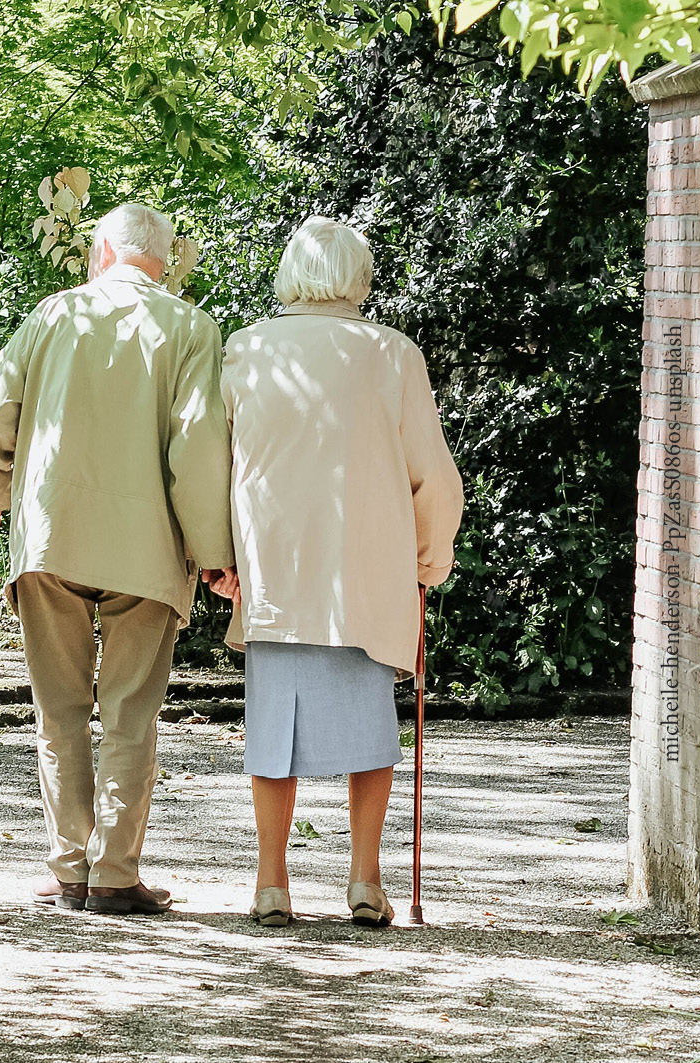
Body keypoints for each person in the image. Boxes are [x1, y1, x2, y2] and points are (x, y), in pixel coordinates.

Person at [0, 203, 236, 915]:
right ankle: (114, 873)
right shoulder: (191, 328)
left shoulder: (51, 315)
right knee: (130, 712)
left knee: (58, 709)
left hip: (53, 535)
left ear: (101, 252)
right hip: (146, 545)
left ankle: (68, 868)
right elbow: (198, 446)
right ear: (165, 261)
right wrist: (213, 553)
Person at [212, 216, 463, 928]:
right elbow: (434, 478)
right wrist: (428, 557)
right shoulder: (392, 355)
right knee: (370, 729)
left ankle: (270, 882)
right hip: (366, 571)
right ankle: (364, 879)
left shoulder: (247, 349)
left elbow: (216, 464)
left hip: (277, 567)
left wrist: (219, 557)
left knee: (272, 730)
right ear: (359, 277)